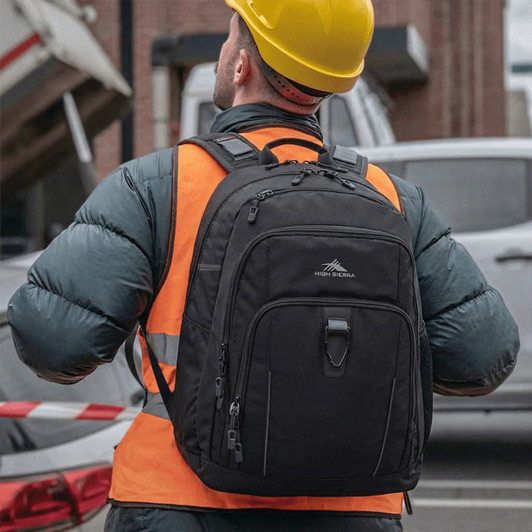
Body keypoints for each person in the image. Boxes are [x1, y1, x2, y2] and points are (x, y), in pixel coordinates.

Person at [8, 0, 519, 530]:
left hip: (181, 505)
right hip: (351, 511)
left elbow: (53, 342)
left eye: (232, 34)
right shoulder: (394, 199)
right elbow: (482, 355)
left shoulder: (160, 185)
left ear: (241, 65)